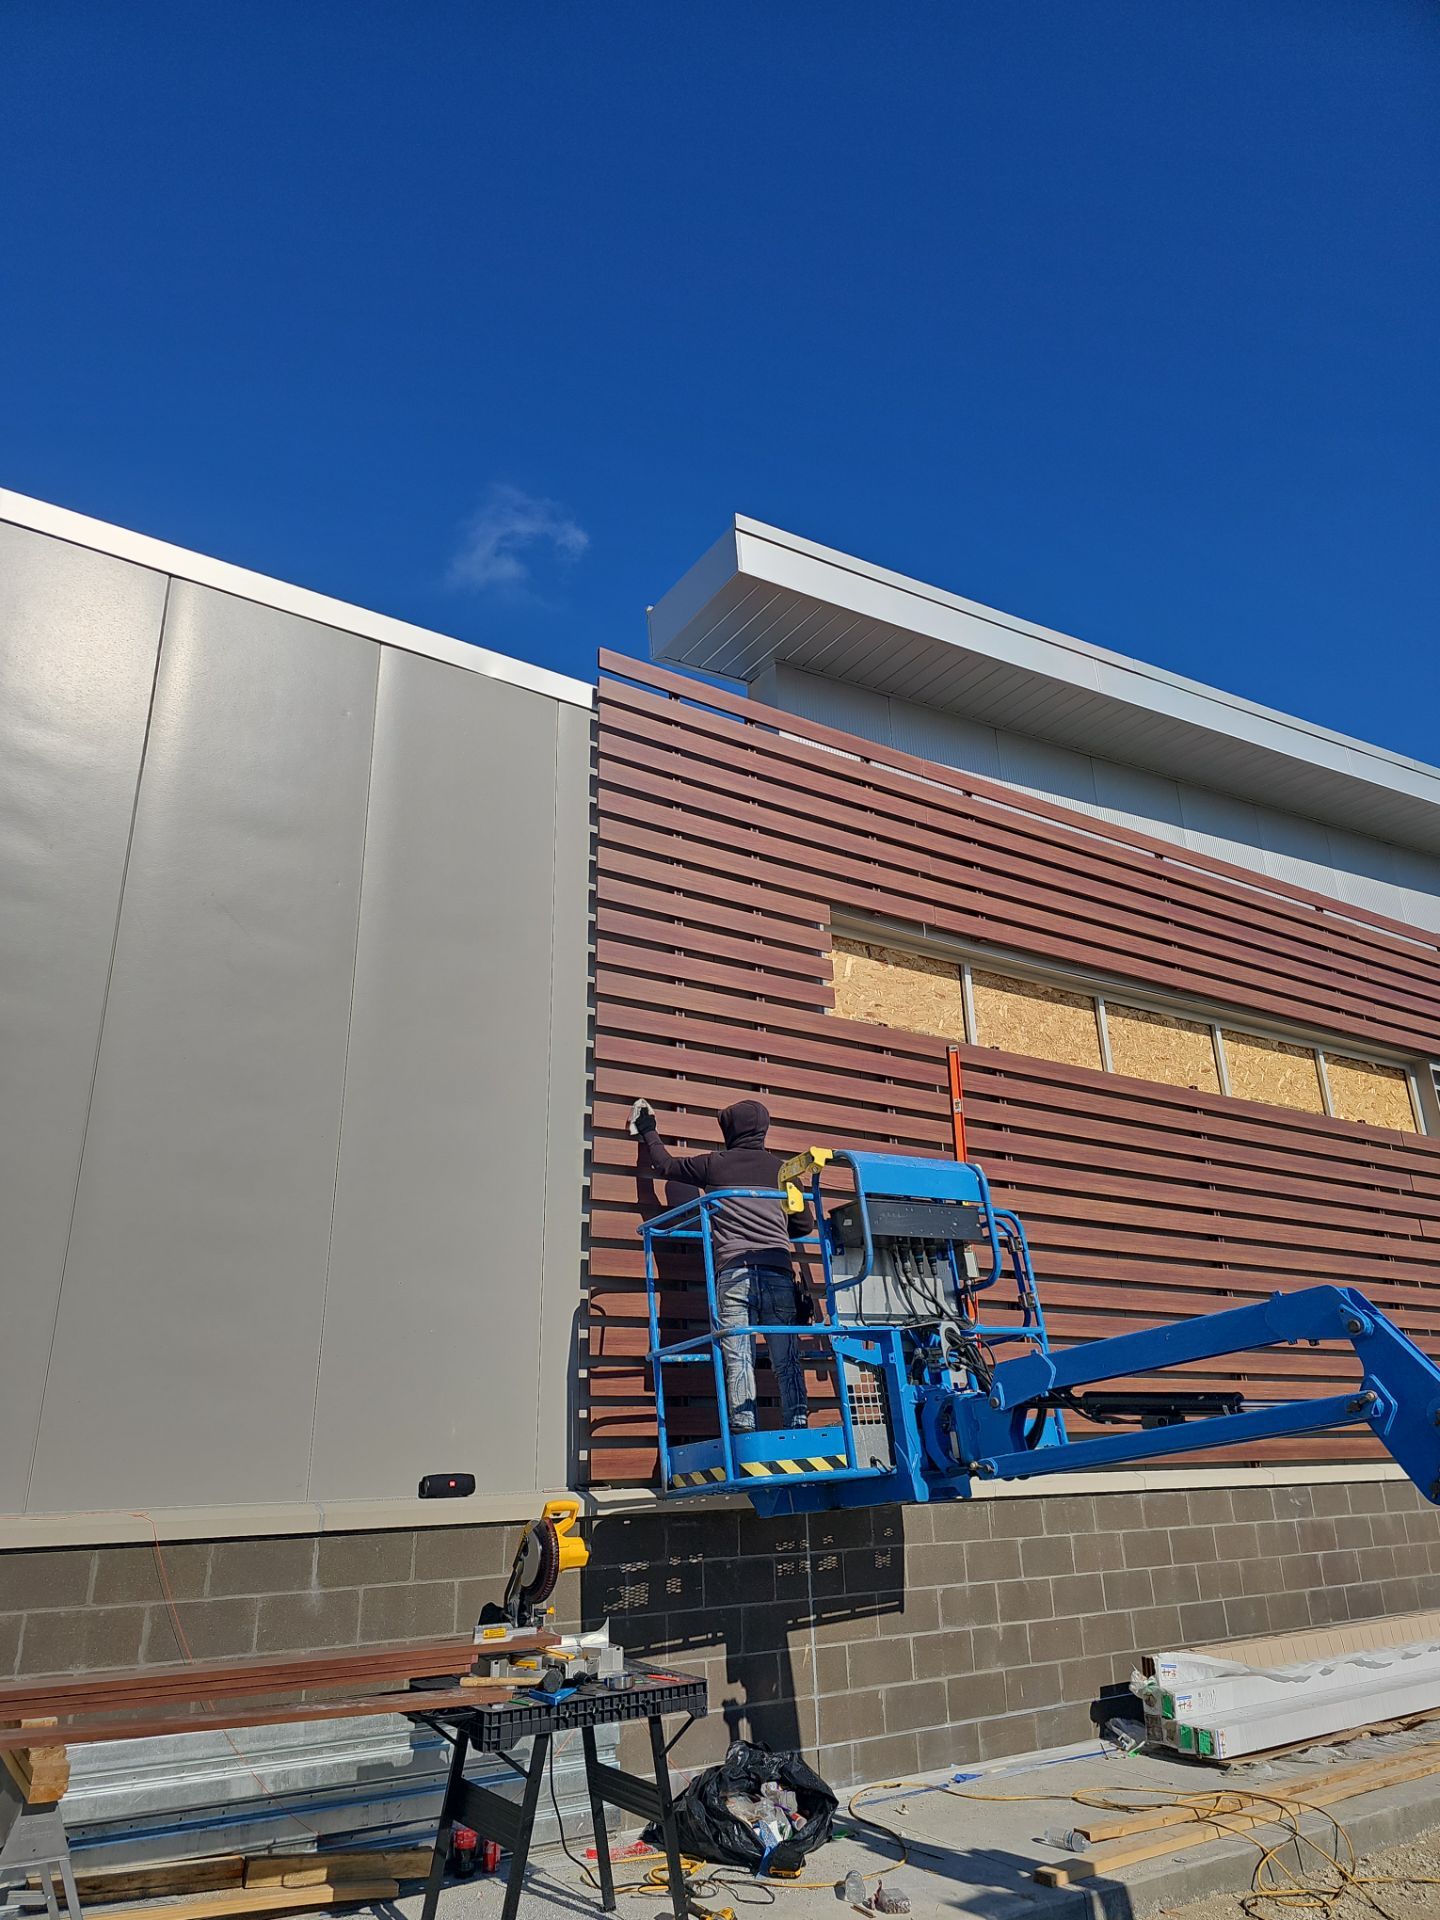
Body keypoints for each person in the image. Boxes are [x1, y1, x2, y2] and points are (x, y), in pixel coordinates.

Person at [630, 1097, 811, 1433]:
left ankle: (743, 1430)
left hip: (734, 1274)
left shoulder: (715, 1165)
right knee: (786, 1359)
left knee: (738, 1358)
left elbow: (665, 1166)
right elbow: (803, 1226)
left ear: (730, 1130)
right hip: (778, 1273)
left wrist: (647, 1129)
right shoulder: (785, 1172)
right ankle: (798, 1426)